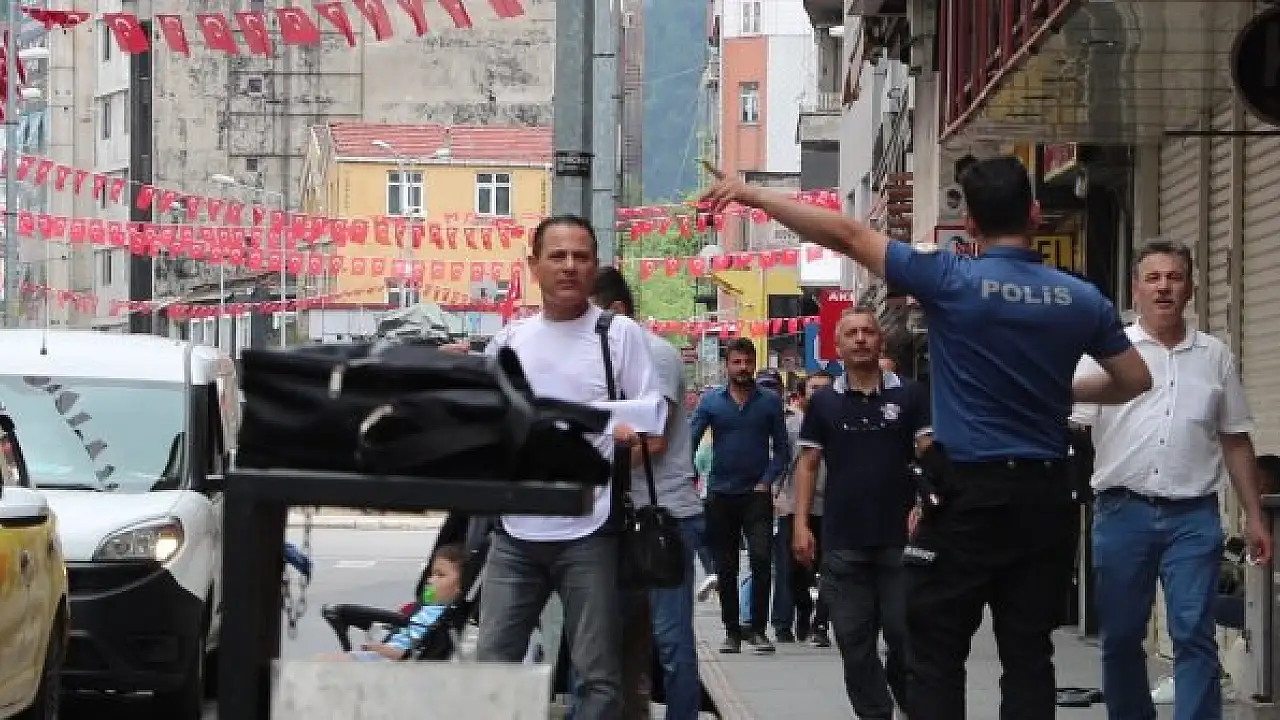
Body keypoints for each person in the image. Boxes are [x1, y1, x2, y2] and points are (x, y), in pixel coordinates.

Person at [701, 157, 1153, 719]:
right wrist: (1059, 391)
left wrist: (753, 195)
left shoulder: (949, 277)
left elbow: (845, 235)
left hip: (966, 495)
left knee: (937, 650)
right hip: (1044, 497)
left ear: (971, 225)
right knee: (1029, 653)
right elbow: (1135, 379)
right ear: (1036, 215)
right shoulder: (1080, 298)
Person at [474, 215, 666, 720]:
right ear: (533, 265)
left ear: (595, 265)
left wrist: (617, 447)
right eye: (557, 256)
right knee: (491, 666)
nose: (569, 266)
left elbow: (651, 425)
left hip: (591, 531)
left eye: (581, 257)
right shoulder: (508, 343)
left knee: (598, 676)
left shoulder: (618, 335)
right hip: (515, 532)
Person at [1072, 239, 1273, 720]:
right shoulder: (1104, 353)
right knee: (1121, 636)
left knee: (1193, 633)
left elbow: (1236, 440)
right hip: (1121, 512)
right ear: (1136, 289)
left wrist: (1254, 516)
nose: (1164, 287)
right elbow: (1072, 427)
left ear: (1191, 288)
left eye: (1175, 277)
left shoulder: (1215, 357)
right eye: (1153, 278)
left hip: (1193, 517)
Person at [794, 308, 930, 718]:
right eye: (851, 333)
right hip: (843, 540)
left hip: (900, 539)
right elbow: (808, 464)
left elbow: (930, 455)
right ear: (837, 346)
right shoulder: (824, 403)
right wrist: (801, 523)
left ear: (879, 341)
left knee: (904, 636)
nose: (860, 339)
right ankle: (875, 713)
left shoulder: (911, 395)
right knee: (853, 643)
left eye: (867, 332)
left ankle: (910, 704)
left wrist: (924, 504)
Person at [591, 267, 705, 720]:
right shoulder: (603, 361)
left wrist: (589, 472)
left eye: (592, 318)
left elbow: (652, 441)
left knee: (670, 640)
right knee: (605, 640)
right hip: (620, 518)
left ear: (618, 312)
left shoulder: (655, 355)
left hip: (664, 519)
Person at [690, 338, 791, 654]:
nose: (743, 368)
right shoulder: (711, 402)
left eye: (747, 362)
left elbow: (783, 450)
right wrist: (687, 477)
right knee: (726, 565)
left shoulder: (769, 402)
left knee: (761, 559)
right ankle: (732, 631)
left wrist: (767, 481)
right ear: (727, 365)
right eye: (737, 362)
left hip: (756, 494)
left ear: (754, 363)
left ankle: (758, 629)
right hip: (721, 494)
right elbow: (690, 441)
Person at [318, 544, 466, 662]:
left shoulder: (442, 617)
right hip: (385, 653)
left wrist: (382, 649)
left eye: (440, 575)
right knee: (323, 661)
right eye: (432, 574)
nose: (430, 580)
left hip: (392, 661)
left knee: (324, 663)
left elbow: (410, 651)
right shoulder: (426, 607)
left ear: (459, 587)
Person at [775, 370, 834, 647]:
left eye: (825, 388)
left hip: (832, 506)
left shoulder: (842, 421)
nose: (819, 393)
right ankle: (803, 607)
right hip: (794, 504)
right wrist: (775, 492)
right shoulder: (791, 424)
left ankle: (820, 623)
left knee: (830, 567)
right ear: (803, 393)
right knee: (795, 570)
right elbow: (780, 459)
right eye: (814, 388)